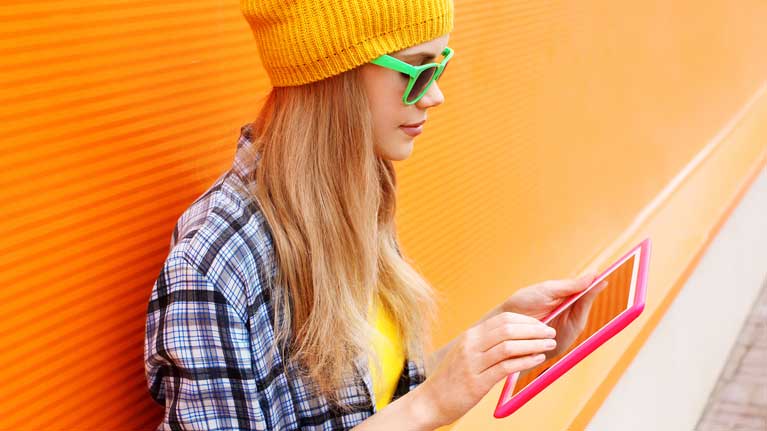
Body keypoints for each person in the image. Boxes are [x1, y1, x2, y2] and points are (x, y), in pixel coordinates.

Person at [143, 0, 606, 429]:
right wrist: (430, 406)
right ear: (334, 70)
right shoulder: (214, 267)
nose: (435, 96)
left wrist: (495, 339)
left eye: (440, 66)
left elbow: (381, 403)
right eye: (418, 71)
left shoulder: (359, 193)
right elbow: (413, 409)